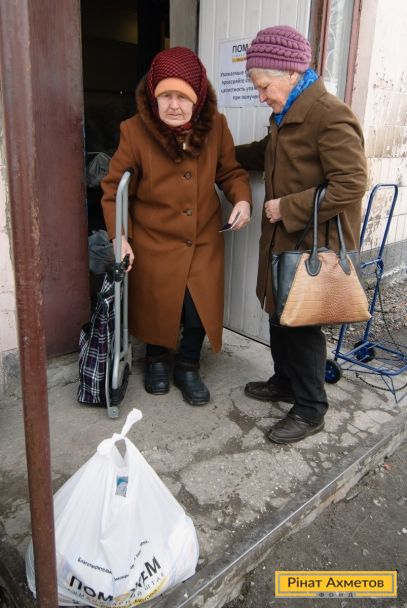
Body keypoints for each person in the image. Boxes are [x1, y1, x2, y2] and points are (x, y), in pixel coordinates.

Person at [235, 25, 367, 443]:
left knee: (302, 325)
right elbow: (266, 152)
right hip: (286, 240)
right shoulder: (286, 113)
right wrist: (219, 155)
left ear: (292, 73)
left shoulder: (328, 114)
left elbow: (351, 182)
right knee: (279, 314)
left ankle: (311, 409)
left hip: (314, 242)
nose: (261, 95)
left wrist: (286, 207)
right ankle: (285, 382)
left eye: (263, 86)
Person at [101, 46, 251, 406]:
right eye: (165, 96)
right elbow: (114, 190)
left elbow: (231, 172)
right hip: (154, 237)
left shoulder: (215, 126)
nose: (173, 105)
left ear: (196, 98)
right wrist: (120, 237)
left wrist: (242, 199)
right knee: (159, 302)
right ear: (153, 95)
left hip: (203, 237)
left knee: (197, 306)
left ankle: (187, 364)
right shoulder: (134, 131)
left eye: (182, 97)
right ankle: (156, 359)